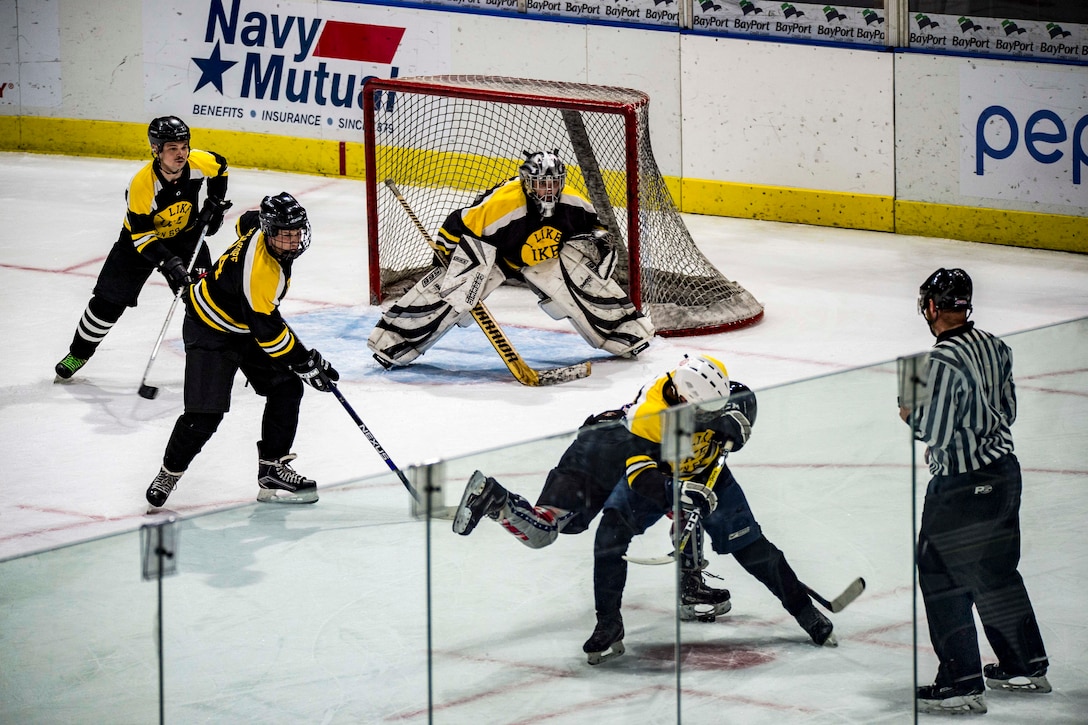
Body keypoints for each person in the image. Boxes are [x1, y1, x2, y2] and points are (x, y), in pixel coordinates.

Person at [453, 355, 836, 663]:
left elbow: (743, 399)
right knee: (609, 537)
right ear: (683, 400)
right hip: (661, 476)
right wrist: (680, 493)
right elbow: (640, 478)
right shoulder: (647, 421)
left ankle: (804, 612)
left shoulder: (704, 379)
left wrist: (734, 428)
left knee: (750, 547)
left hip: (707, 476)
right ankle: (609, 623)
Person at [900, 268, 1050, 715]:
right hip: (1005, 474)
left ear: (930, 307)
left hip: (964, 488)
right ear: (965, 305)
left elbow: (931, 429)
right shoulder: (995, 345)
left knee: (941, 575)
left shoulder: (937, 362)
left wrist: (908, 408)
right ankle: (1025, 664)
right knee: (996, 572)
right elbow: (1007, 410)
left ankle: (961, 683)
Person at [368, 149, 654, 367]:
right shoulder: (502, 206)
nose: (548, 190)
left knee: (578, 270)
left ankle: (624, 329)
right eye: (542, 184)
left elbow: (597, 228)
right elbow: (455, 226)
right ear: (527, 183)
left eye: (554, 183)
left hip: (543, 258)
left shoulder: (572, 202)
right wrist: (444, 262)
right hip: (495, 258)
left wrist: (598, 242)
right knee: (455, 284)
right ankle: (393, 339)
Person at [144, 192, 340, 509]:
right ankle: (169, 472)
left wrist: (302, 364)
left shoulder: (258, 228)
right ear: (270, 231)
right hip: (209, 328)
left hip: (243, 322)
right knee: (204, 416)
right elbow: (269, 335)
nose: (292, 242)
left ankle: (272, 469)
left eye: (296, 233)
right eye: (285, 235)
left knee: (286, 388)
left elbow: (245, 220)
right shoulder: (263, 273)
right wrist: (305, 362)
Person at [54, 116, 232, 381]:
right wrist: (170, 263)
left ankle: (213, 359)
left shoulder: (198, 161)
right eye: (172, 148)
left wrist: (214, 203)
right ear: (156, 150)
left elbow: (221, 167)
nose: (181, 153)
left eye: (183, 146)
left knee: (202, 298)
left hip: (185, 237)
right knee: (107, 302)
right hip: (138, 242)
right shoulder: (142, 185)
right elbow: (143, 238)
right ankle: (79, 352)